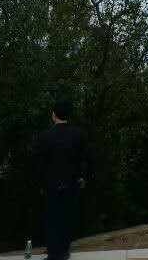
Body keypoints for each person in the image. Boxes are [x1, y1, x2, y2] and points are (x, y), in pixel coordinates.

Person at [33, 100, 91, 260]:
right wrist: (83, 177)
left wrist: (41, 183)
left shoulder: (44, 136)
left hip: (50, 185)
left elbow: (36, 163)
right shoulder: (79, 134)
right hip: (71, 183)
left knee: (52, 220)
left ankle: (53, 254)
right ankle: (64, 253)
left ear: (53, 115)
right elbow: (88, 159)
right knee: (67, 218)